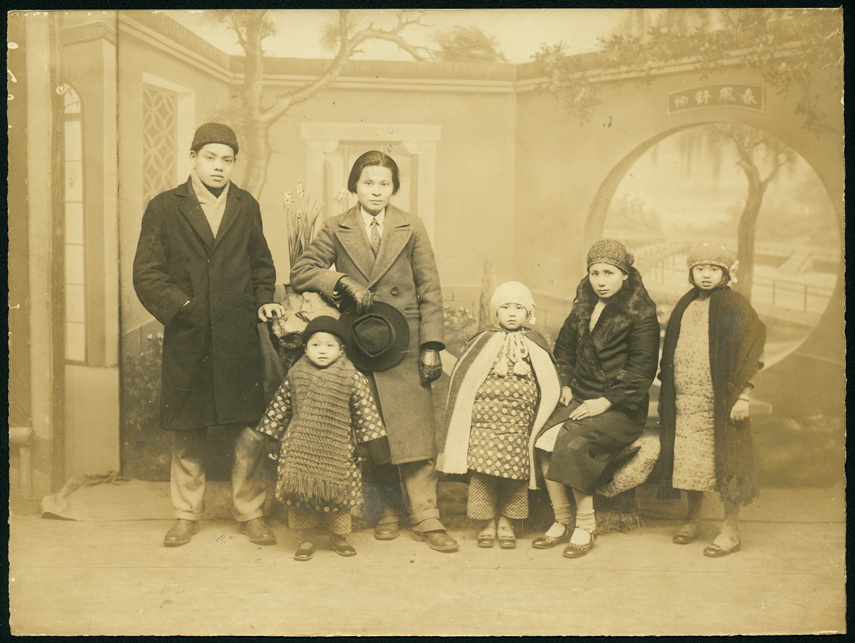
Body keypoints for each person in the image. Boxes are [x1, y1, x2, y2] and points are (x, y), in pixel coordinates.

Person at [290, 150, 458, 553]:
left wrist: (431, 346)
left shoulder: (411, 226)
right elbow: (301, 271)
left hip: (405, 339)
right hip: (361, 341)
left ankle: (426, 516)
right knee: (374, 431)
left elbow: (430, 287)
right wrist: (340, 281)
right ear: (354, 186)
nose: (376, 191)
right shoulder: (336, 226)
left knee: (415, 432)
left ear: (394, 188)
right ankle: (387, 511)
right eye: (368, 182)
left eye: (385, 183)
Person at [133, 122, 284, 547]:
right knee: (188, 427)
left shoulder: (246, 205)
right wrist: (184, 309)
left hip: (239, 336)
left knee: (248, 428)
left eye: (227, 160)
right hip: (189, 335)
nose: (219, 166)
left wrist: (262, 301)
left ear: (234, 164)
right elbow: (147, 273)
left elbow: (261, 264)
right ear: (193, 158)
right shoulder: (165, 207)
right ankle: (186, 513)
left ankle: (250, 511)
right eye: (210, 157)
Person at [531, 239, 659, 558]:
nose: (601, 281)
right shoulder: (583, 305)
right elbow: (564, 349)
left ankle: (586, 526)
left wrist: (605, 402)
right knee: (542, 440)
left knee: (573, 441)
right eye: (595, 273)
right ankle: (562, 519)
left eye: (609, 273)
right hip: (581, 399)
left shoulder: (641, 313)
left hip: (621, 408)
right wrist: (564, 384)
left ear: (625, 274)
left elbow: (642, 368)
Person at [657, 243, 765, 558]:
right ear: (691, 273)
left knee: (728, 462)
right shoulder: (685, 304)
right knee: (689, 460)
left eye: (714, 269)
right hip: (686, 401)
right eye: (700, 269)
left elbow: (752, 349)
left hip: (721, 401)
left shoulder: (735, 305)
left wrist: (743, 395)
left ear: (725, 273)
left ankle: (730, 530)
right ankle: (693, 519)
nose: (706, 275)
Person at [438, 282, 560, 549]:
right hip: (484, 421)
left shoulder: (535, 342)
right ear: (496, 311)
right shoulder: (483, 340)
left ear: (528, 312)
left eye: (519, 308)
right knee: (483, 470)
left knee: (516, 470)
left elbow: (550, 381)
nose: (512, 313)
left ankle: (507, 521)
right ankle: (486, 522)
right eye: (505, 307)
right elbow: (464, 377)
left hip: (519, 421)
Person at [254, 316, 387, 561]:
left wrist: (365, 445)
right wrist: (273, 438)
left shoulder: (351, 376)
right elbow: (281, 406)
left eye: (329, 345)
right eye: (315, 345)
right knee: (303, 495)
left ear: (341, 349)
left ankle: (339, 537)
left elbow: (365, 411)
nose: (322, 350)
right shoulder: (296, 374)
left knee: (338, 496)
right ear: (305, 348)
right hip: (300, 448)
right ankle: (307, 537)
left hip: (339, 448)